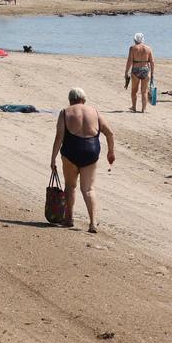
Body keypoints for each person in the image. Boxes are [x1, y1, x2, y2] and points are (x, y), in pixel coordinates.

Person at [50, 87, 114, 233]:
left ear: (70, 100)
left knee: (70, 186)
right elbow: (109, 133)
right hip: (91, 152)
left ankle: (69, 219)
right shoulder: (95, 112)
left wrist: (53, 158)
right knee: (88, 189)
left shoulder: (65, 112)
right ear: (84, 100)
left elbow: (59, 137)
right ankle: (92, 223)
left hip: (71, 151)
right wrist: (111, 152)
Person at [124, 32, 154, 112]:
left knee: (134, 90)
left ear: (135, 39)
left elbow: (129, 61)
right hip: (145, 69)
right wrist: (152, 73)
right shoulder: (148, 48)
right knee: (144, 91)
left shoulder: (132, 48)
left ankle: (134, 107)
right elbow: (152, 62)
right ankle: (143, 109)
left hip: (135, 70)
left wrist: (126, 72)